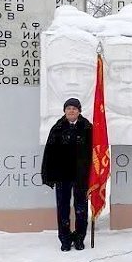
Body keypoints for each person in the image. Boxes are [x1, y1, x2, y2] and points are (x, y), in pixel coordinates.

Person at [41, 98, 93, 251]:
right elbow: (49, 153)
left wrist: (93, 174)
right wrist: (48, 174)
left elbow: (94, 153)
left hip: (81, 176)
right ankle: (65, 239)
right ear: (64, 111)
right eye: (68, 108)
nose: (71, 111)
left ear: (79, 111)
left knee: (81, 208)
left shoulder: (87, 128)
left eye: (74, 108)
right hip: (62, 175)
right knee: (63, 208)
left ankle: (79, 238)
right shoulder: (57, 128)